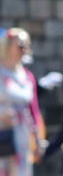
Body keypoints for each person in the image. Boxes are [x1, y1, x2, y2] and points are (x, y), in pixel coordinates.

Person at [0, 28, 45, 176]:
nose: (24, 49)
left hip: (21, 136)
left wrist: (38, 140)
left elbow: (33, 109)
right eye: (20, 45)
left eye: (26, 45)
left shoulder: (27, 76)